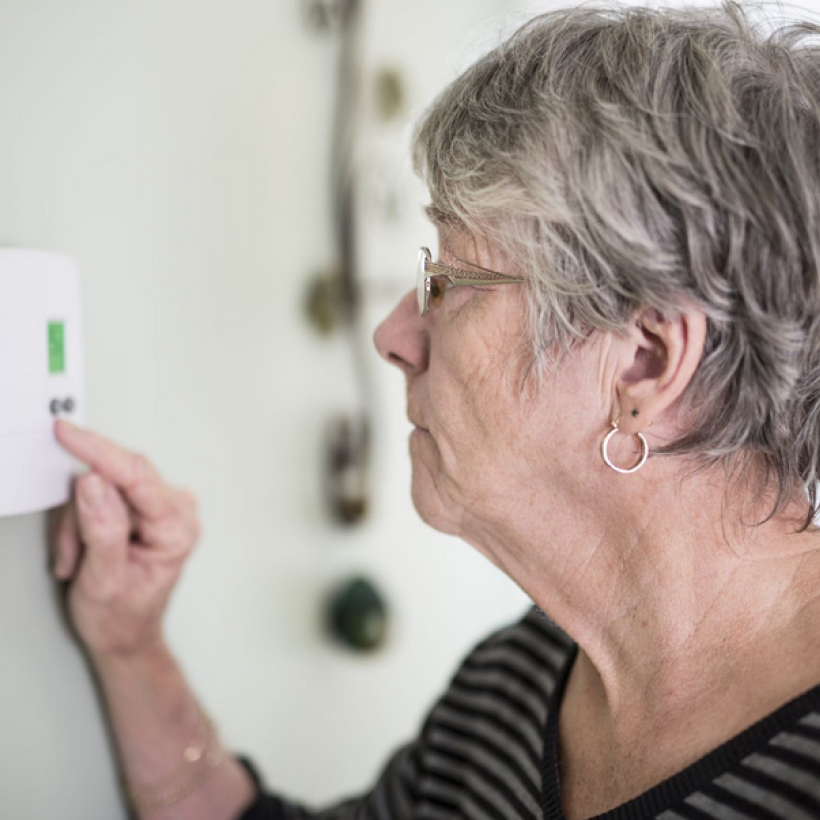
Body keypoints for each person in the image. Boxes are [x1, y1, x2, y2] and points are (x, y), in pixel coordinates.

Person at [50, 3, 820, 819]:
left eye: (447, 282)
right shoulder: (518, 685)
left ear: (644, 362)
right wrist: (131, 646)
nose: (394, 335)